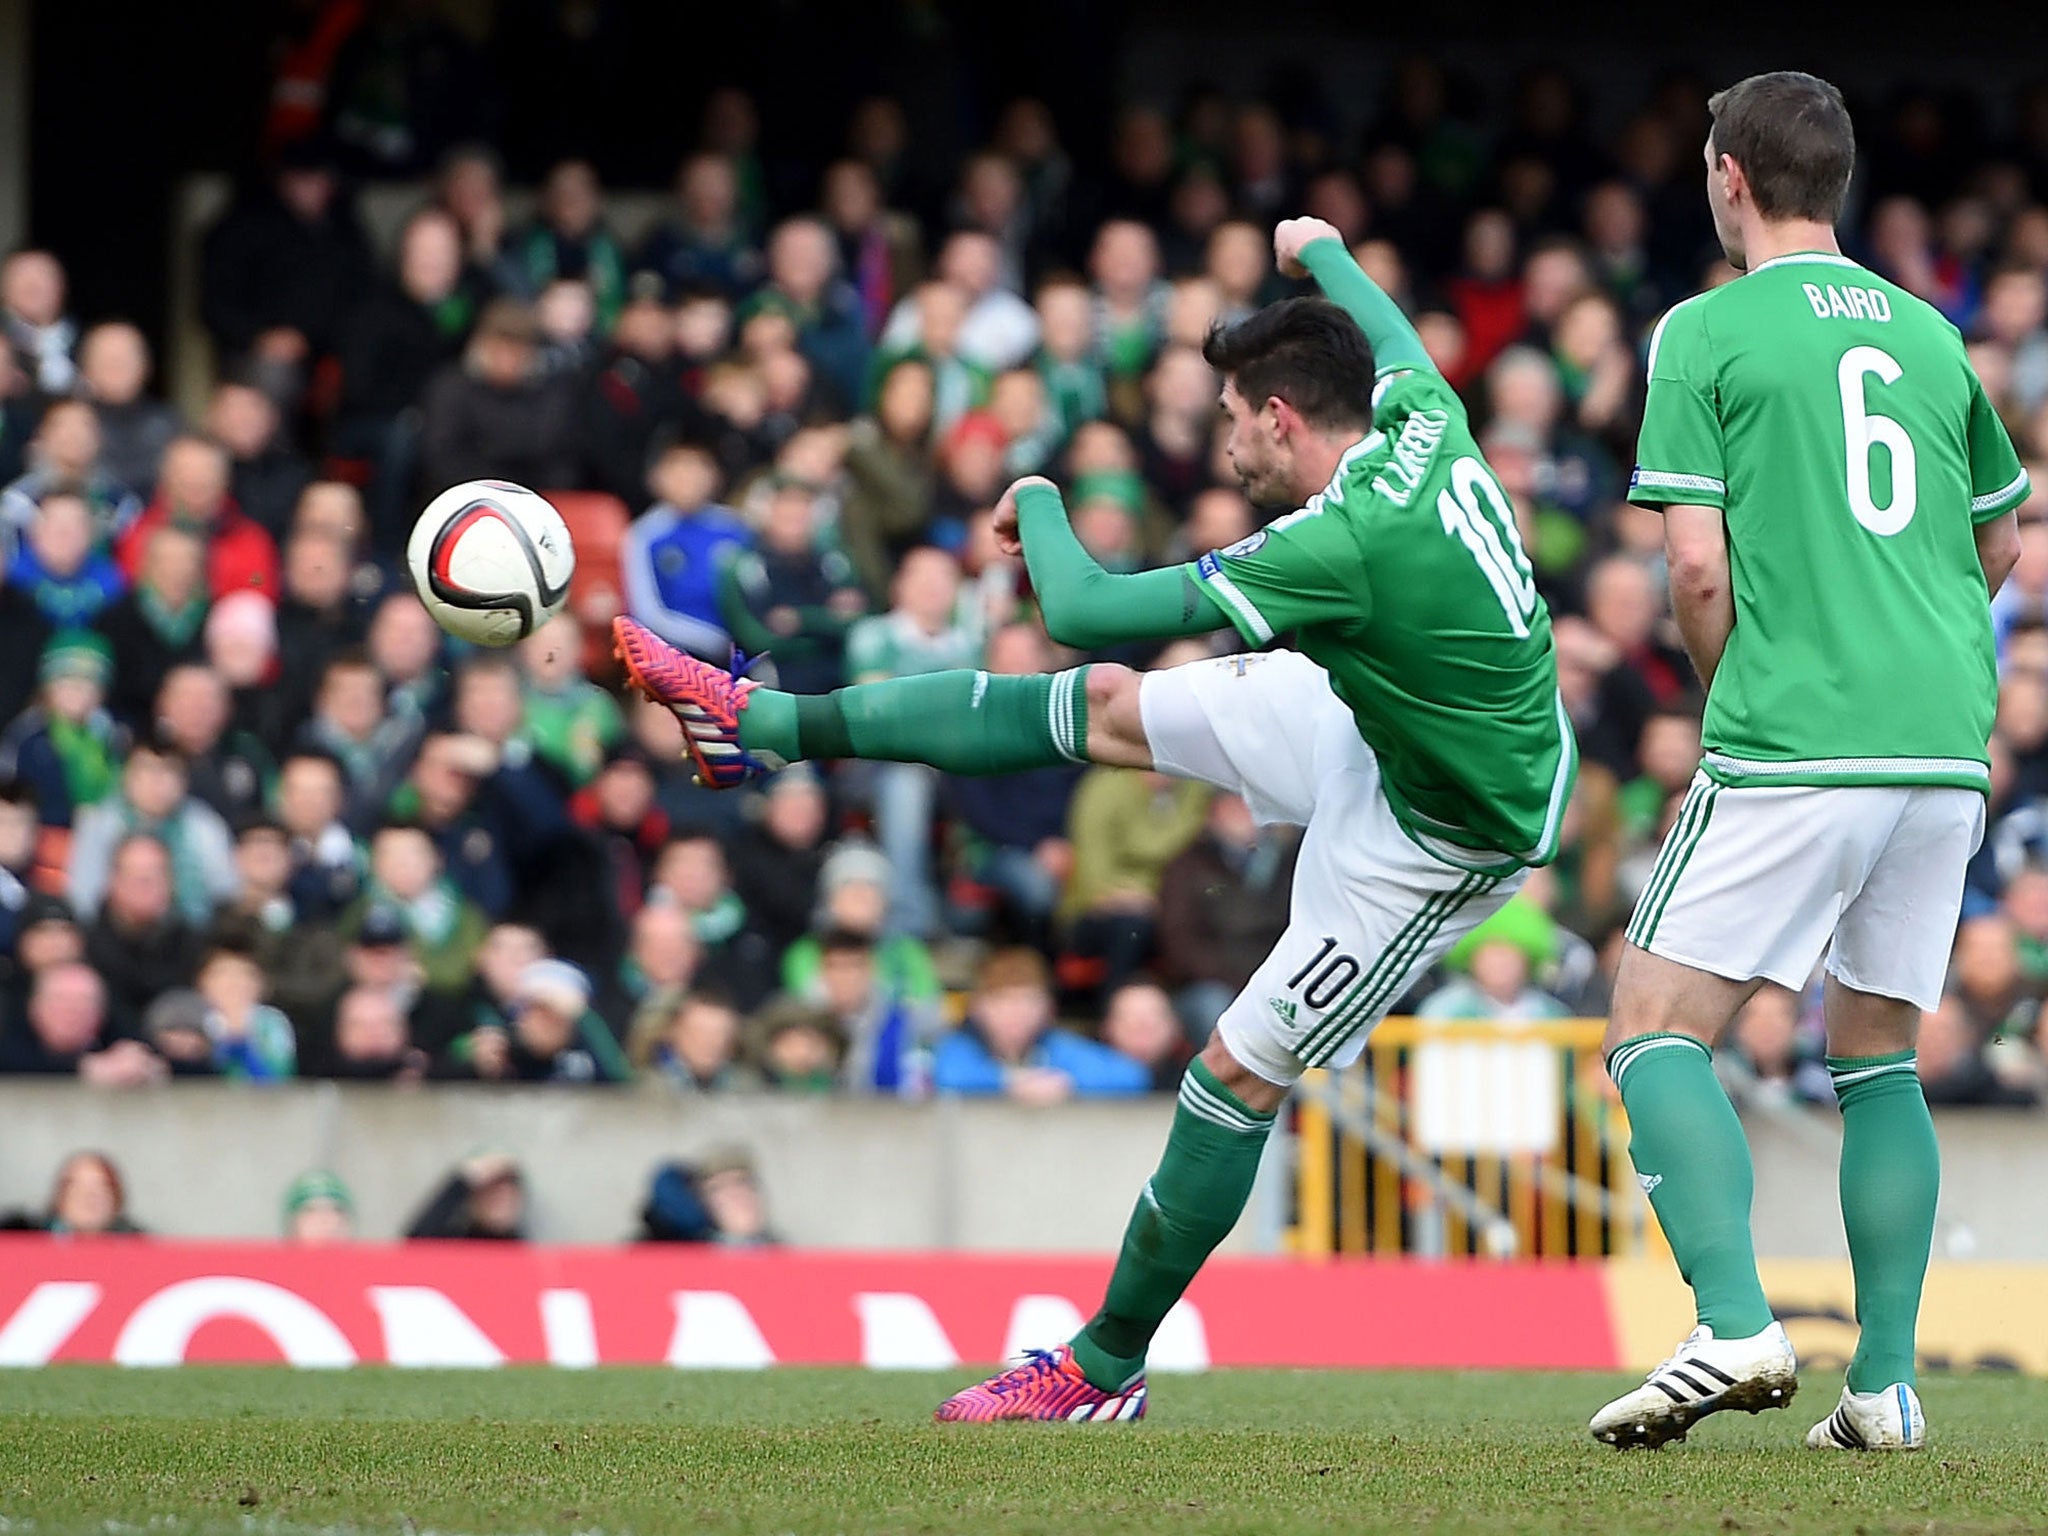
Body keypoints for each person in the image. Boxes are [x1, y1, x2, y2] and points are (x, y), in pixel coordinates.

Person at [614, 212, 1572, 1424]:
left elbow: (1073, 602)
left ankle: (1100, 1368)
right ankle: (759, 724)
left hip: (1446, 824)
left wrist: (1037, 493)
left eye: (1231, 420)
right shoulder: (1419, 417)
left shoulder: (1340, 538)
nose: (1225, 445)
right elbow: (1382, 327)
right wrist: (1319, 251)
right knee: (1109, 708)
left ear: (1279, 414)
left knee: (1231, 1074)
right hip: (1391, 709)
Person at [1588, 73, 2031, 1455]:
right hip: (1944, 742)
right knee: (1879, 1055)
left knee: (1652, 1025)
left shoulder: (1704, 330)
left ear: (1728, 176)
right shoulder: (1933, 335)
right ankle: (1885, 1389)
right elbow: (2002, 546)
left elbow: (1697, 564)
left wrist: (1740, 690)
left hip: (1798, 729)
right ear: (1836, 181)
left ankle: (1732, 1321)